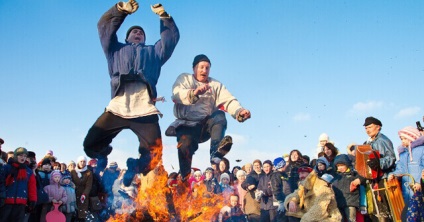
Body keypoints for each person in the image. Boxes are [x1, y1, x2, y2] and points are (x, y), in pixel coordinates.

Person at [82, 0, 180, 187]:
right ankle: (103, 154)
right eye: (134, 32)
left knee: (154, 155)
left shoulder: (154, 53)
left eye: (141, 33)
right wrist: (120, 10)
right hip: (118, 107)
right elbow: (103, 27)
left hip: (144, 109)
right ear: (127, 38)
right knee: (90, 145)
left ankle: (134, 168)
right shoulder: (115, 50)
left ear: (144, 39)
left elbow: (170, 41)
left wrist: (164, 17)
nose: (138, 34)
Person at [166, 54, 251, 182]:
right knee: (184, 144)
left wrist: (239, 111)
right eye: (201, 67)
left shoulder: (215, 85)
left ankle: (215, 153)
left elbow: (228, 100)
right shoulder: (185, 78)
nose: (204, 71)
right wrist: (194, 93)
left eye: (207, 68)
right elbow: (177, 94)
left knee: (219, 115)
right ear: (194, 68)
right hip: (187, 125)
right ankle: (185, 175)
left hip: (205, 127)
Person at [362, 116, 396, 221]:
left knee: (386, 209)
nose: (368, 130)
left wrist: (379, 163)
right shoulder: (367, 143)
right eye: (366, 128)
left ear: (378, 127)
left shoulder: (383, 140)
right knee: (376, 210)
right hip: (373, 179)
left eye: (370, 127)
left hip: (383, 177)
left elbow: (391, 157)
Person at [388, 126, 424, 206]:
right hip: (407, 190)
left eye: (405, 138)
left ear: (412, 137)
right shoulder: (403, 154)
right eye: (401, 139)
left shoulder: (421, 150)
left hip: (419, 188)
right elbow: (400, 168)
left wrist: (419, 182)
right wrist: (394, 174)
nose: (402, 141)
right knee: (410, 212)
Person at [0, 147, 37, 222]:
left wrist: (32, 200)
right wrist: (2, 196)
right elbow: (1, 183)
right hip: (6, 203)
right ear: (15, 156)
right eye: (20, 155)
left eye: (25, 156)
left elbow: (32, 187)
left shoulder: (29, 171)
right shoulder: (6, 168)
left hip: (21, 204)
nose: (23, 158)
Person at [331, 154, 361, 222]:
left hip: (351, 202)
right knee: (340, 220)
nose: (340, 167)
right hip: (339, 202)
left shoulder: (353, 174)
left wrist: (358, 181)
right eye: (338, 166)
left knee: (351, 219)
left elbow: (362, 178)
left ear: (347, 164)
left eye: (342, 165)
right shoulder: (336, 177)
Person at [71, 156, 93, 221]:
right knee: (73, 213)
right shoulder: (73, 172)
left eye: (84, 162)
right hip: (73, 194)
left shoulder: (88, 172)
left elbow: (88, 185)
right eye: (81, 161)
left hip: (83, 195)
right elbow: (70, 181)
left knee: (82, 214)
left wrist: (84, 194)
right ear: (78, 162)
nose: (82, 163)